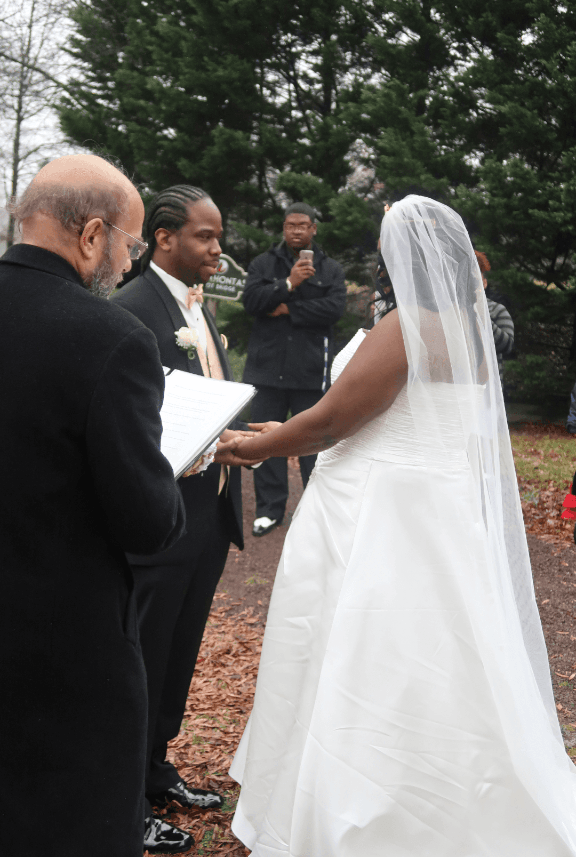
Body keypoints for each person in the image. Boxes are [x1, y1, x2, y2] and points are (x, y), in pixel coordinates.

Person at [221, 196, 576, 856]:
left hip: (380, 506)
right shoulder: (468, 325)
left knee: (366, 652)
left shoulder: (409, 325)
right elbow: (397, 411)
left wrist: (260, 447)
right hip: (435, 505)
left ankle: (363, 803)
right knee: (437, 654)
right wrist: (289, 427)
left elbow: (333, 421)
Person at [0, 155, 187, 857]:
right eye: (132, 244)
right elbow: (146, 518)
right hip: (61, 650)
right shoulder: (110, 339)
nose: (130, 260)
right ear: (91, 235)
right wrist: (170, 469)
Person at [112, 185, 253, 854]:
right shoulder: (133, 308)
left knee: (178, 650)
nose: (217, 249)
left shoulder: (200, 309)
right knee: (143, 653)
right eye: (205, 236)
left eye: (217, 235)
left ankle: (157, 763)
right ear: (164, 237)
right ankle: (124, 796)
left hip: (210, 510)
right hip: (165, 514)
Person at [242, 202, 346, 537]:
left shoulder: (330, 269)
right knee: (267, 439)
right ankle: (269, 510)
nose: (296, 231)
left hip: (309, 371)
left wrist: (286, 307)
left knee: (312, 443)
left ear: (314, 228)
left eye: (303, 225)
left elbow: (334, 309)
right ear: (283, 228)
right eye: (290, 225)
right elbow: (251, 302)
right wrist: (287, 283)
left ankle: (315, 510)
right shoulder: (264, 263)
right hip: (267, 369)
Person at [475, 249, 515, 383]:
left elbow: (507, 345)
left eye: (476, 279)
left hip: (490, 386)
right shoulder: (451, 310)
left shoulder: (497, 310)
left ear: (485, 283)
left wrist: (478, 314)